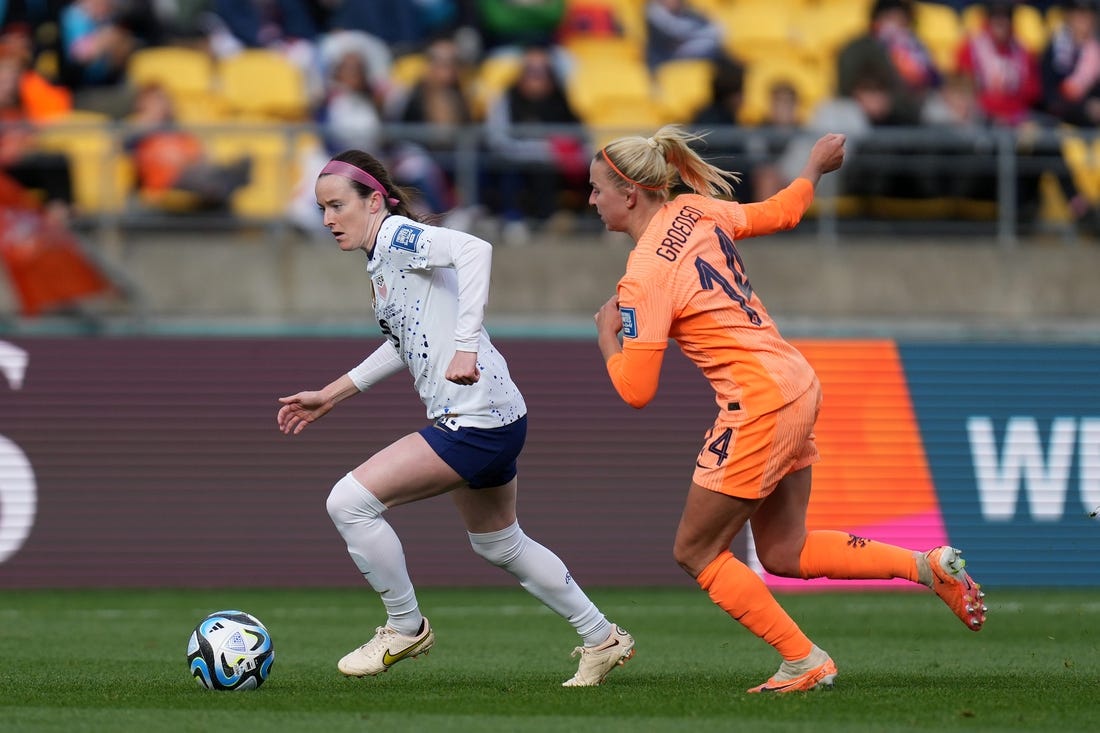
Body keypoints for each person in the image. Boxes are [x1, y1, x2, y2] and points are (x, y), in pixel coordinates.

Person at [589, 126, 986, 693]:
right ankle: (927, 567)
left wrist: (607, 337)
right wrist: (814, 169)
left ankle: (804, 659)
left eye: (596, 188)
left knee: (696, 552)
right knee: (783, 549)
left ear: (629, 193)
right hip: (796, 381)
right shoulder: (696, 210)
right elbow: (782, 213)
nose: (590, 200)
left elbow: (636, 389)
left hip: (757, 401)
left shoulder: (644, 276)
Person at [276, 149, 635, 687]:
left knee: (348, 503)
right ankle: (603, 637)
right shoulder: (382, 258)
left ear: (374, 201)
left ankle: (405, 626)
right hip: (498, 413)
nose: (328, 220)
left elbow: (476, 249)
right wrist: (333, 394)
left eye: (337, 206)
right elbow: (406, 342)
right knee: (498, 542)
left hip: (475, 418)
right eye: (322, 208)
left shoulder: (397, 237)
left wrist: (466, 346)